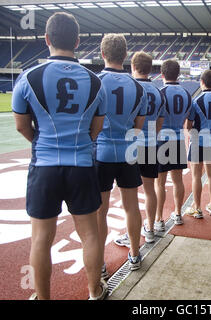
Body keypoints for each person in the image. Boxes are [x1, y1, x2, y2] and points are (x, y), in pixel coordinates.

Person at [12, 12, 107, 300]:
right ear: (78, 41)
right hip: (81, 165)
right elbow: (97, 129)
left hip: (44, 166)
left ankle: (43, 297)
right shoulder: (95, 81)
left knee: (41, 238)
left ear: (47, 39)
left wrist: (42, 142)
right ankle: (94, 291)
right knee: (89, 234)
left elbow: (21, 126)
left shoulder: (28, 77)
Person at [96, 34, 147, 273]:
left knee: (100, 210)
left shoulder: (94, 82)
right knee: (131, 206)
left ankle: (99, 263)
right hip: (128, 151)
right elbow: (138, 125)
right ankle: (135, 254)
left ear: (103, 54)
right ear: (125, 56)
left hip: (101, 152)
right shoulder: (138, 87)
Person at [131, 51, 166, 242]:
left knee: (130, 194)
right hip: (151, 143)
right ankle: (150, 229)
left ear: (133, 67)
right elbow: (160, 123)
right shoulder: (159, 92)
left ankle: (132, 233)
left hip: (132, 143)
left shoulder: (131, 88)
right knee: (149, 188)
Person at [155, 59, 192, 227]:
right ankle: (177, 213)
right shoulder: (186, 94)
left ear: (162, 74)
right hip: (178, 139)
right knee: (178, 180)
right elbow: (186, 118)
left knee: (159, 183)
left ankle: (158, 219)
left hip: (161, 140)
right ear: (178, 74)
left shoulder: (159, 92)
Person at [184, 69, 211, 218]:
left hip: (198, 140)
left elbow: (189, 125)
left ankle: (198, 208)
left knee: (196, 176)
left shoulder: (197, 101)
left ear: (202, 82)